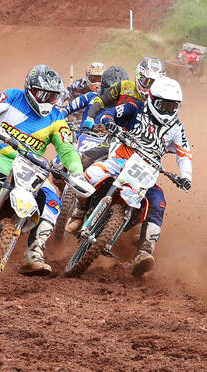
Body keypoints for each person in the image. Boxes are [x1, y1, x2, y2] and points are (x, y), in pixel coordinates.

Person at [0, 65, 88, 276]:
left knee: (52, 200)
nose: (47, 100)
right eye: (43, 94)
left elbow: (67, 148)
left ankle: (35, 250)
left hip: (33, 168)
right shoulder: (13, 96)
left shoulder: (57, 118)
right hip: (1, 158)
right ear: (30, 88)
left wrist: (76, 171)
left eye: (53, 96)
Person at [73, 76, 194, 275]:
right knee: (91, 174)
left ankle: (144, 252)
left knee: (159, 202)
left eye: (172, 106)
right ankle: (79, 211)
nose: (167, 110)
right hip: (120, 159)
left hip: (147, 171)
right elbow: (110, 112)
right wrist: (109, 122)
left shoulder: (176, 128)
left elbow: (184, 154)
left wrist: (186, 177)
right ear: (153, 99)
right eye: (163, 104)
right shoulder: (136, 108)